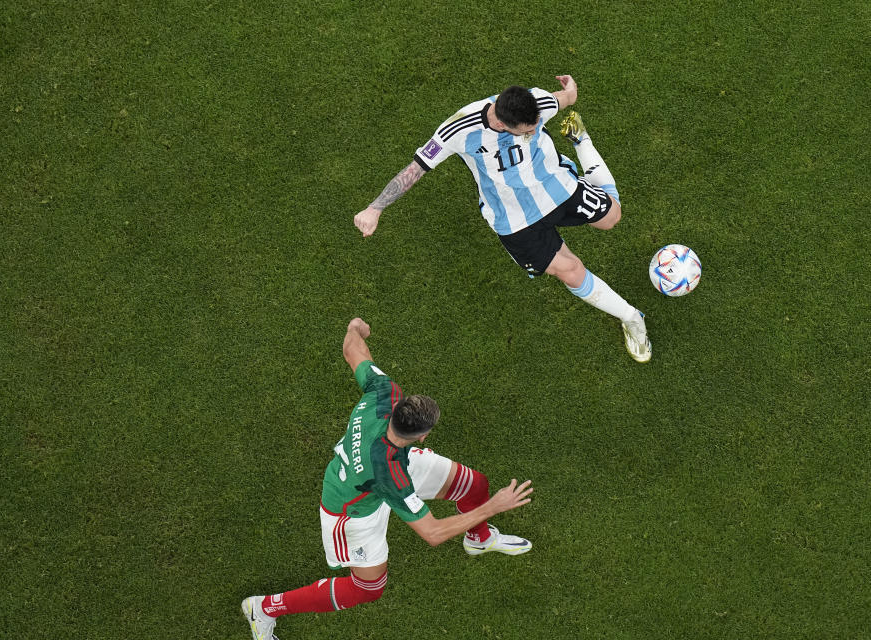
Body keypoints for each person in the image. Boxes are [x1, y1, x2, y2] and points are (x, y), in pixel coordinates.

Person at [241, 318, 534, 640]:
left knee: (473, 484)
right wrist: (494, 506)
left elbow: (353, 351)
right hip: (352, 511)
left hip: (389, 467)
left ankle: (478, 540)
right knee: (366, 589)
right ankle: (264, 607)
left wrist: (355, 329)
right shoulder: (391, 475)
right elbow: (432, 533)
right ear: (422, 436)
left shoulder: (384, 392)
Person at [353, 75, 652, 362]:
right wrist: (375, 208)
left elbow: (567, 98)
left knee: (612, 216)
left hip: (556, 187)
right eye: (526, 131)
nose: (534, 131)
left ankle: (580, 139)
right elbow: (414, 170)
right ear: (499, 123)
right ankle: (631, 317)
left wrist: (570, 90)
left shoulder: (535, 103)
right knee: (570, 270)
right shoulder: (457, 131)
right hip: (514, 219)